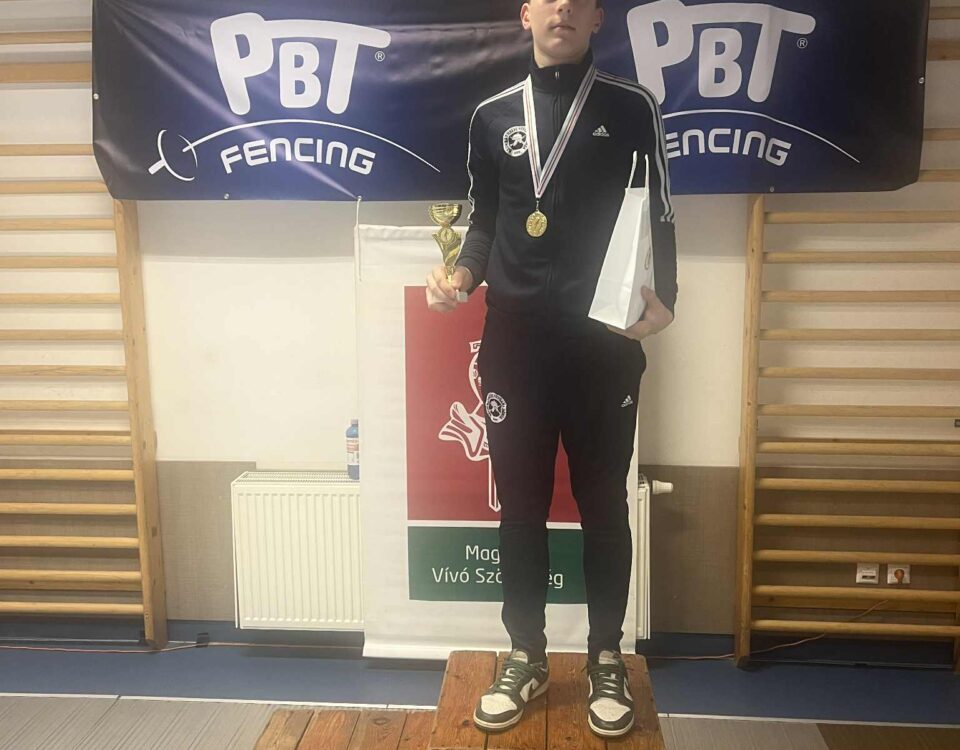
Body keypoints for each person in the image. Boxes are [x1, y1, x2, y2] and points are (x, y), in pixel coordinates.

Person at [425, 0, 677, 739]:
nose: (562, 7)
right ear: (526, 13)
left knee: (604, 505)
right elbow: (484, 219)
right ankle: (526, 653)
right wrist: (461, 275)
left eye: (579, 0)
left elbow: (660, 208)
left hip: (603, 341)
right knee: (521, 507)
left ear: (597, 17)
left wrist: (668, 299)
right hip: (516, 346)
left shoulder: (632, 107)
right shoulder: (491, 116)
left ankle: (606, 655)